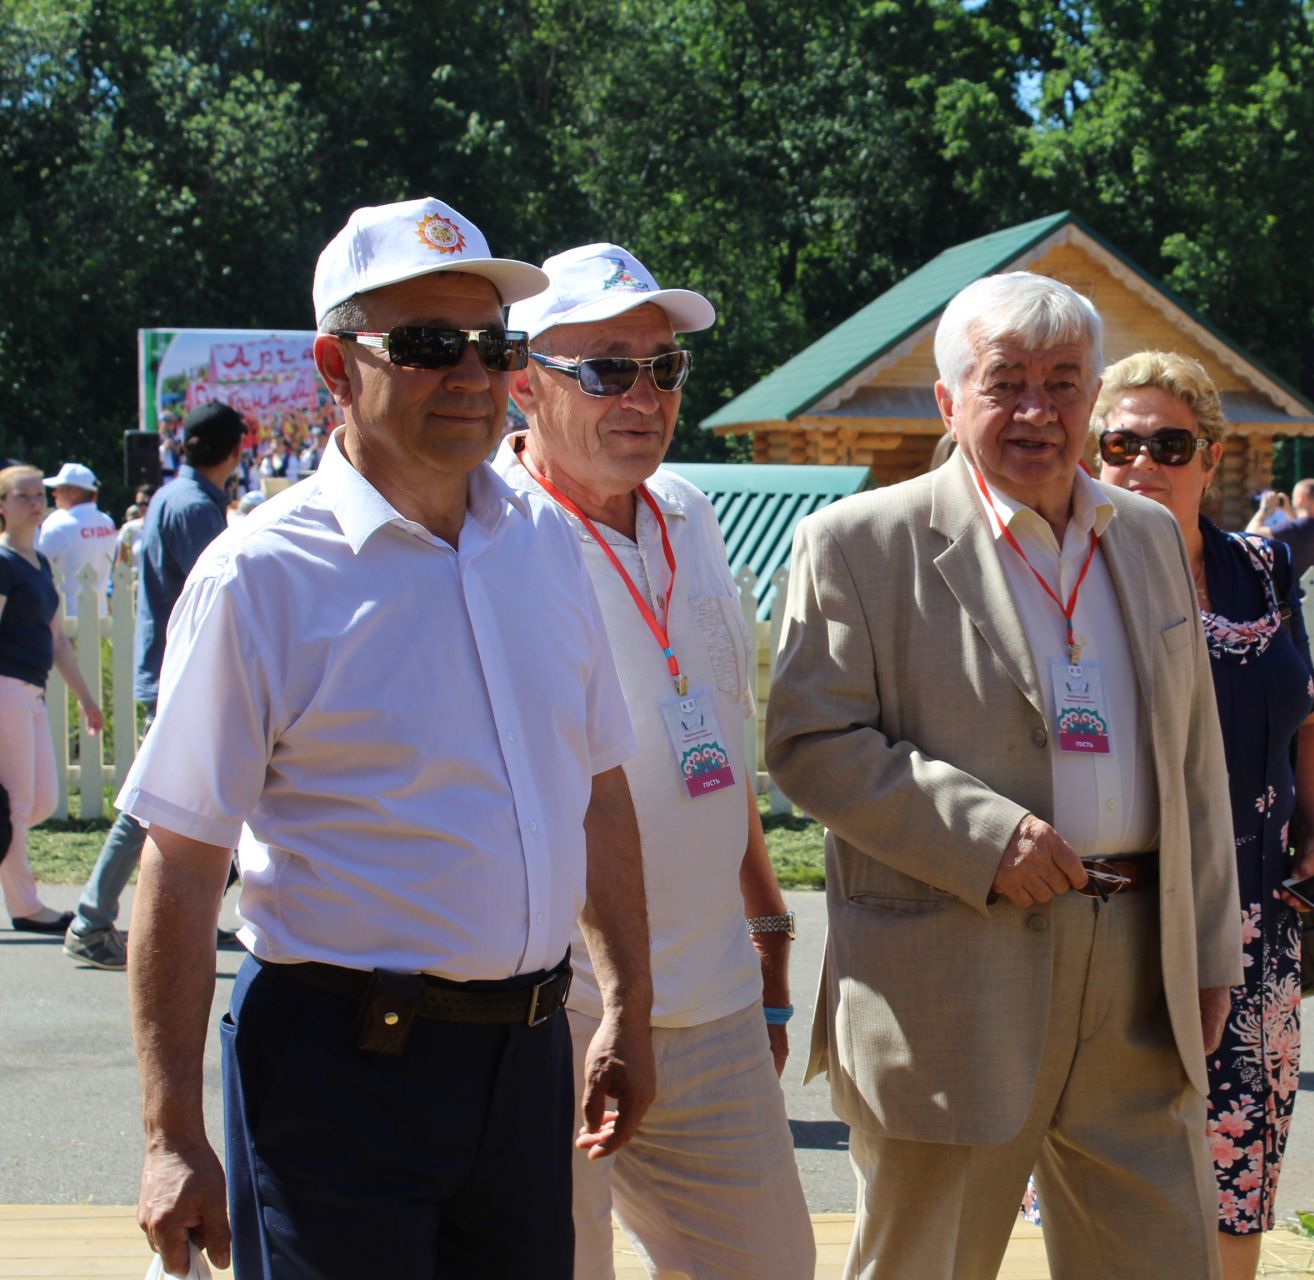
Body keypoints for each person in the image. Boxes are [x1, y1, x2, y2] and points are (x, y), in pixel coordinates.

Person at [118, 197, 656, 1279]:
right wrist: (172, 1133)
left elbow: (596, 789)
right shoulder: (261, 575)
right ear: (333, 365)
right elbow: (179, 860)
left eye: (492, 343)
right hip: (337, 1069)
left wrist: (630, 1009)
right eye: (422, 345)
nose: (468, 371)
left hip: (523, 1059)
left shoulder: (543, 540)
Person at [765, 272, 1238, 1280]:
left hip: (1135, 967)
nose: (1038, 409)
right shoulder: (859, 541)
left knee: (1160, 1256)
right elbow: (811, 741)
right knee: (926, 1260)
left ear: (1094, 395)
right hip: (953, 966)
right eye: (1005, 381)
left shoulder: (1146, 535)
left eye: (1064, 381)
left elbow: (1196, 759)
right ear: (946, 401)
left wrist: (1208, 949)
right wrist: (984, 835)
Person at [498, 241, 813, 1279]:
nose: (643, 394)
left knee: (768, 1264)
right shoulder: (488, 540)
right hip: (556, 1000)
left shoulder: (691, 510)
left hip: (714, 984)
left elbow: (710, 727)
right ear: (523, 382)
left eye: (664, 366)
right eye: (606, 369)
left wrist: (764, 914)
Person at [1092, 351, 1314, 1280]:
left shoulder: (1263, 568)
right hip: (1126, 911)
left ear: (1209, 456)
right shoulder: (1070, 577)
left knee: (1240, 1159)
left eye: (1170, 443)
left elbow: (1305, 714)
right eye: (1121, 443)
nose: (1144, 463)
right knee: (1119, 1158)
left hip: (1258, 910)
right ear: (1094, 454)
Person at [64, 402, 247, 970]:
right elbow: (225, 597)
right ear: (236, 451)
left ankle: (134, 915)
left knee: (171, 804)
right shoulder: (195, 507)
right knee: (155, 808)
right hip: (186, 673)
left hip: (170, 669)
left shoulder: (173, 496)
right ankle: (92, 919)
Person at [0, 464, 104, 933]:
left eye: (37, 495)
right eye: (21, 496)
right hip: (7, 689)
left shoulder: (39, 563)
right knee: (19, 802)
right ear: (2, 506)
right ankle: (25, 907)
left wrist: (86, 699)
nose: (34, 503)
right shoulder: (2, 563)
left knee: (41, 801)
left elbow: (58, 639)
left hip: (32, 691)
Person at [35, 462, 117, 618]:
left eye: (59, 489)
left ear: (75, 492)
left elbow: (36, 565)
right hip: (100, 614)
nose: (54, 494)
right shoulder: (107, 522)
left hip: (67, 616)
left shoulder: (58, 523)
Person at [1263, 478, 1314, 575]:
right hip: (1311, 586)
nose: (1292, 499)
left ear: (1301, 497)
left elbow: (1250, 532)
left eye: (1293, 496)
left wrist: (1264, 508)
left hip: (1290, 587)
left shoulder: (1294, 528)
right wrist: (1287, 511)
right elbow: (1300, 527)